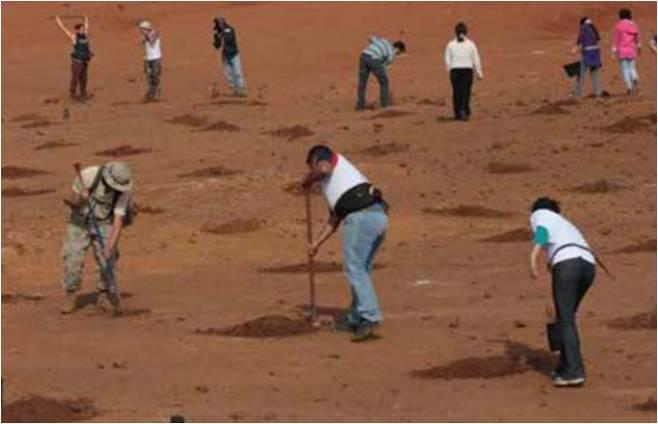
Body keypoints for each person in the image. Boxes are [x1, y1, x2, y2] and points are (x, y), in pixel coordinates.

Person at [302, 145, 389, 342]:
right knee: (361, 269)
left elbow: (323, 169)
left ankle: (369, 316)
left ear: (315, 160)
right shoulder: (338, 187)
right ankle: (355, 317)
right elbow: (334, 220)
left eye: (311, 166)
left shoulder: (327, 158)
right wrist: (316, 243)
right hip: (377, 218)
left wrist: (307, 180)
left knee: (355, 268)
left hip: (361, 217)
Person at [529, 197, 596, 388]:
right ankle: (564, 365)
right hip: (588, 266)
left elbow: (542, 233)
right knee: (566, 316)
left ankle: (574, 372)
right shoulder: (565, 223)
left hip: (567, 266)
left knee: (565, 318)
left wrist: (533, 258)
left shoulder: (540, 215)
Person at [61, 162, 134, 315]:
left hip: (104, 221)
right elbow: (72, 203)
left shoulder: (124, 191)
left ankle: (104, 294)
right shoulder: (88, 176)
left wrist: (110, 246)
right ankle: (71, 293)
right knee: (72, 256)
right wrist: (81, 198)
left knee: (108, 258)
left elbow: (118, 220)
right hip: (79, 220)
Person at [444, 22, 483, 121]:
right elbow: (476, 58)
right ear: (466, 32)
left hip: (455, 70)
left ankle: (458, 112)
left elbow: (447, 58)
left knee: (457, 92)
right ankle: (463, 110)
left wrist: (449, 69)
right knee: (466, 91)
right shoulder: (471, 44)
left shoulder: (451, 44)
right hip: (466, 70)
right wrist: (479, 72)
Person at [356, 36, 406, 110]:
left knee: (362, 82)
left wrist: (377, 46)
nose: (397, 55)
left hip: (363, 55)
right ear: (397, 48)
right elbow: (383, 66)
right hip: (373, 58)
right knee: (384, 81)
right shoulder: (391, 54)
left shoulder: (383, 40)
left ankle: (360, 105)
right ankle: (384, 105)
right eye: (399, 53)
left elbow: (371, 38)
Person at [55, 15, 93, 101]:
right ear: (78, 30)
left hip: (84, 62)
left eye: (83, 29)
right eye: (82, 29)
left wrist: (86, 18)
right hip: (77, 62)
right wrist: (58, 21)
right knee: (75, 78)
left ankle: (83, 94)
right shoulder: (74, 37)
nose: (83, 30)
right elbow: (64, 30)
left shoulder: (85, 36)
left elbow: (87, 27)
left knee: (84, 79)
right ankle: (73, 95)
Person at [213, 17, 246, 97]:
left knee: (238, 72)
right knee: (229, 74)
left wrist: (221, 34)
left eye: (219, 23)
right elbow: (218, 46)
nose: (218, 25)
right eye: (217, 23)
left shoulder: (230, 29)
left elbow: (230, 39)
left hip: (234, 55)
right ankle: (234, 90)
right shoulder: (218, 32)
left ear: (223, 23)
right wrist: (216, 39)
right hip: (225, 55)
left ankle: (241, 90)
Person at [612, 8, 641, 95]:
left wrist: (613, 52)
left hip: (621, 51)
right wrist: (639, 47)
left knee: (625, 69)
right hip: (631, 50)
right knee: (632, 68)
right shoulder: (633, 25)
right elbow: (637, 39)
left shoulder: (618, 26)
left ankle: (629, 87)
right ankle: (635, 77)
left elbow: (616, 40)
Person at [573, 18, 602, 97]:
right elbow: (597, 39)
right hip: (595, 53)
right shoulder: (593, 28)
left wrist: (576, 48)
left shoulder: (583, 28)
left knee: (581, 73)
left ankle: (578, 94)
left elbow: (580, 38)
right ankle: (597, 92)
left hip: (587, 53)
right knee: (595, 73)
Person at [138, 20, 162, 101]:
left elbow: (152, 40)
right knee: (148, 76)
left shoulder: (154, 33)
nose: (140, 31)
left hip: (156, 58)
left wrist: (146, 36)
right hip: (148, 59)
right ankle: (151, 93)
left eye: (142, 29)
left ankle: (155, 92)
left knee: (155, 76)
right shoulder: (145, 36)